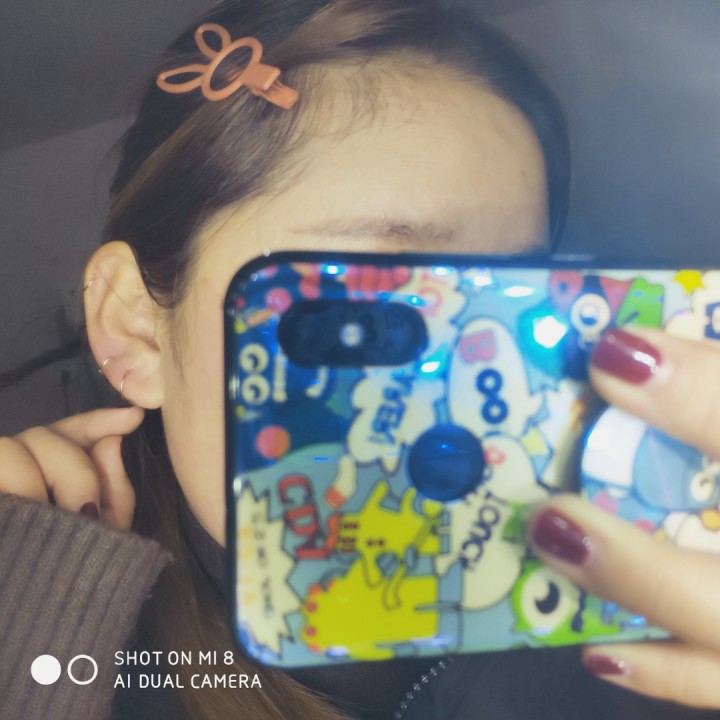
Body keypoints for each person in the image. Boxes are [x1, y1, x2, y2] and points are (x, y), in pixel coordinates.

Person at [0, 0, 718, 718]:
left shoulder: (638, 594)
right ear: (135, 329)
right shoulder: (61, 658)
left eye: (514, 297)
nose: (468, 381)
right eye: (378, 296)